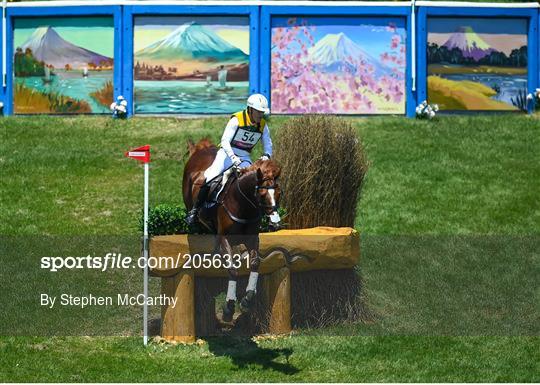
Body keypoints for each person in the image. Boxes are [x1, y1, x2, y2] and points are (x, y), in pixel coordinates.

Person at [186, 94, 272, 226]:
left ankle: (259, 215)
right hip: (226, 154)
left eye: (262, 112)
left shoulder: (263, 125)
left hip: (244, 156)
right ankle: (195, 211)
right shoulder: (237, 120)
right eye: (258, 112)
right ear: (250, 110)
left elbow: (268, 144)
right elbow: (225, 141)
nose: (261, 115)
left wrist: (266, 155)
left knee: (253, 182)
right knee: (209, 177)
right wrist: (233, 157)